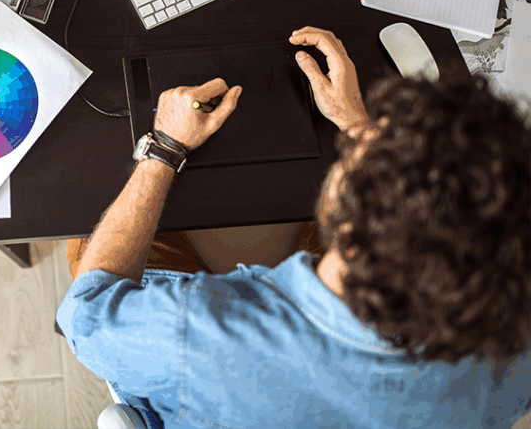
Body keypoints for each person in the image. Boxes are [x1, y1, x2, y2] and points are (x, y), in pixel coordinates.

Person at [57, 27, 530, 429]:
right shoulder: (515, 348)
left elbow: (84, 314)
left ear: (345, 220)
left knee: (88, 242)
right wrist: (356, 124)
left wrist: (164, 148)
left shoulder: (202, 335)